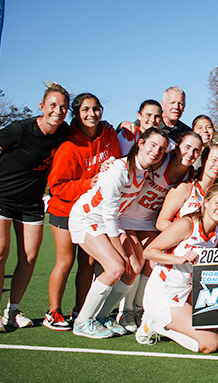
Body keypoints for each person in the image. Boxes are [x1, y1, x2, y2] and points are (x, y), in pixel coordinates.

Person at [68, 128, 167, 339]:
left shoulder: (144, 170)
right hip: (88, 219)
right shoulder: (117, 170)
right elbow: (109, 215)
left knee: (134, 268)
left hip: (110, 222)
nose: (156, 151)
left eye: (161, 149)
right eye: (152, 145)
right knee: (116, 267)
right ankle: (82, 321)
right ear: (140, 144)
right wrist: (120, 251)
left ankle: (103, 316)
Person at [44, 93, 121, 331]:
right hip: (65, 210)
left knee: (88, 262)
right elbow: (57, 186)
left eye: (96, 109)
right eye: (86, 109)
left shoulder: (108, 134)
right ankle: (53, 312)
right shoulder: (69, 145)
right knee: (65, 261)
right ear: (76, 114)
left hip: (91, 212)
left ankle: (80, 308)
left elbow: (117, 163)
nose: (92, 114)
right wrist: (89, 183)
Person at [0, 83, 70, 331]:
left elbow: (89, 133)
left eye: (63, 107)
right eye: (52, 105)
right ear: (42, 107)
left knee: (29, 257)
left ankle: (13, 310)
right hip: (2, 197)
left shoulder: (64, 133)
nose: (58, 111)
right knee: (0, 252)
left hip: (31, 202)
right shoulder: (19, 130)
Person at [116, 131, 203, 332]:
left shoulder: (188, 176)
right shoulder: (159, 160)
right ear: (178, 146)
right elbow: (134, 158)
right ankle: (126, 311)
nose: (191, 153)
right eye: (187, 147)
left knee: (153, 263)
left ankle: (140, 309)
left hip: (147, 221)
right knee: (135, 263)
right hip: (126, 215)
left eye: (196, 150)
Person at [136, 184, 218, 353]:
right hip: (164, 296)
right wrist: (179, 259)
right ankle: (157, 325)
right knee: (210, 343)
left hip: (187, 294)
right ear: (206, 202)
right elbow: (149, 252)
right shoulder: (187, 224)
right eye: (217, 203)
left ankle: (195, 327)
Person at [156, 144, 218, 232]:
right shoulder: (184, 188)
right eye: (214, 160)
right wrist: (187, 235)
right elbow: (161, 223)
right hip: (181, 243)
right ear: (203, 160)